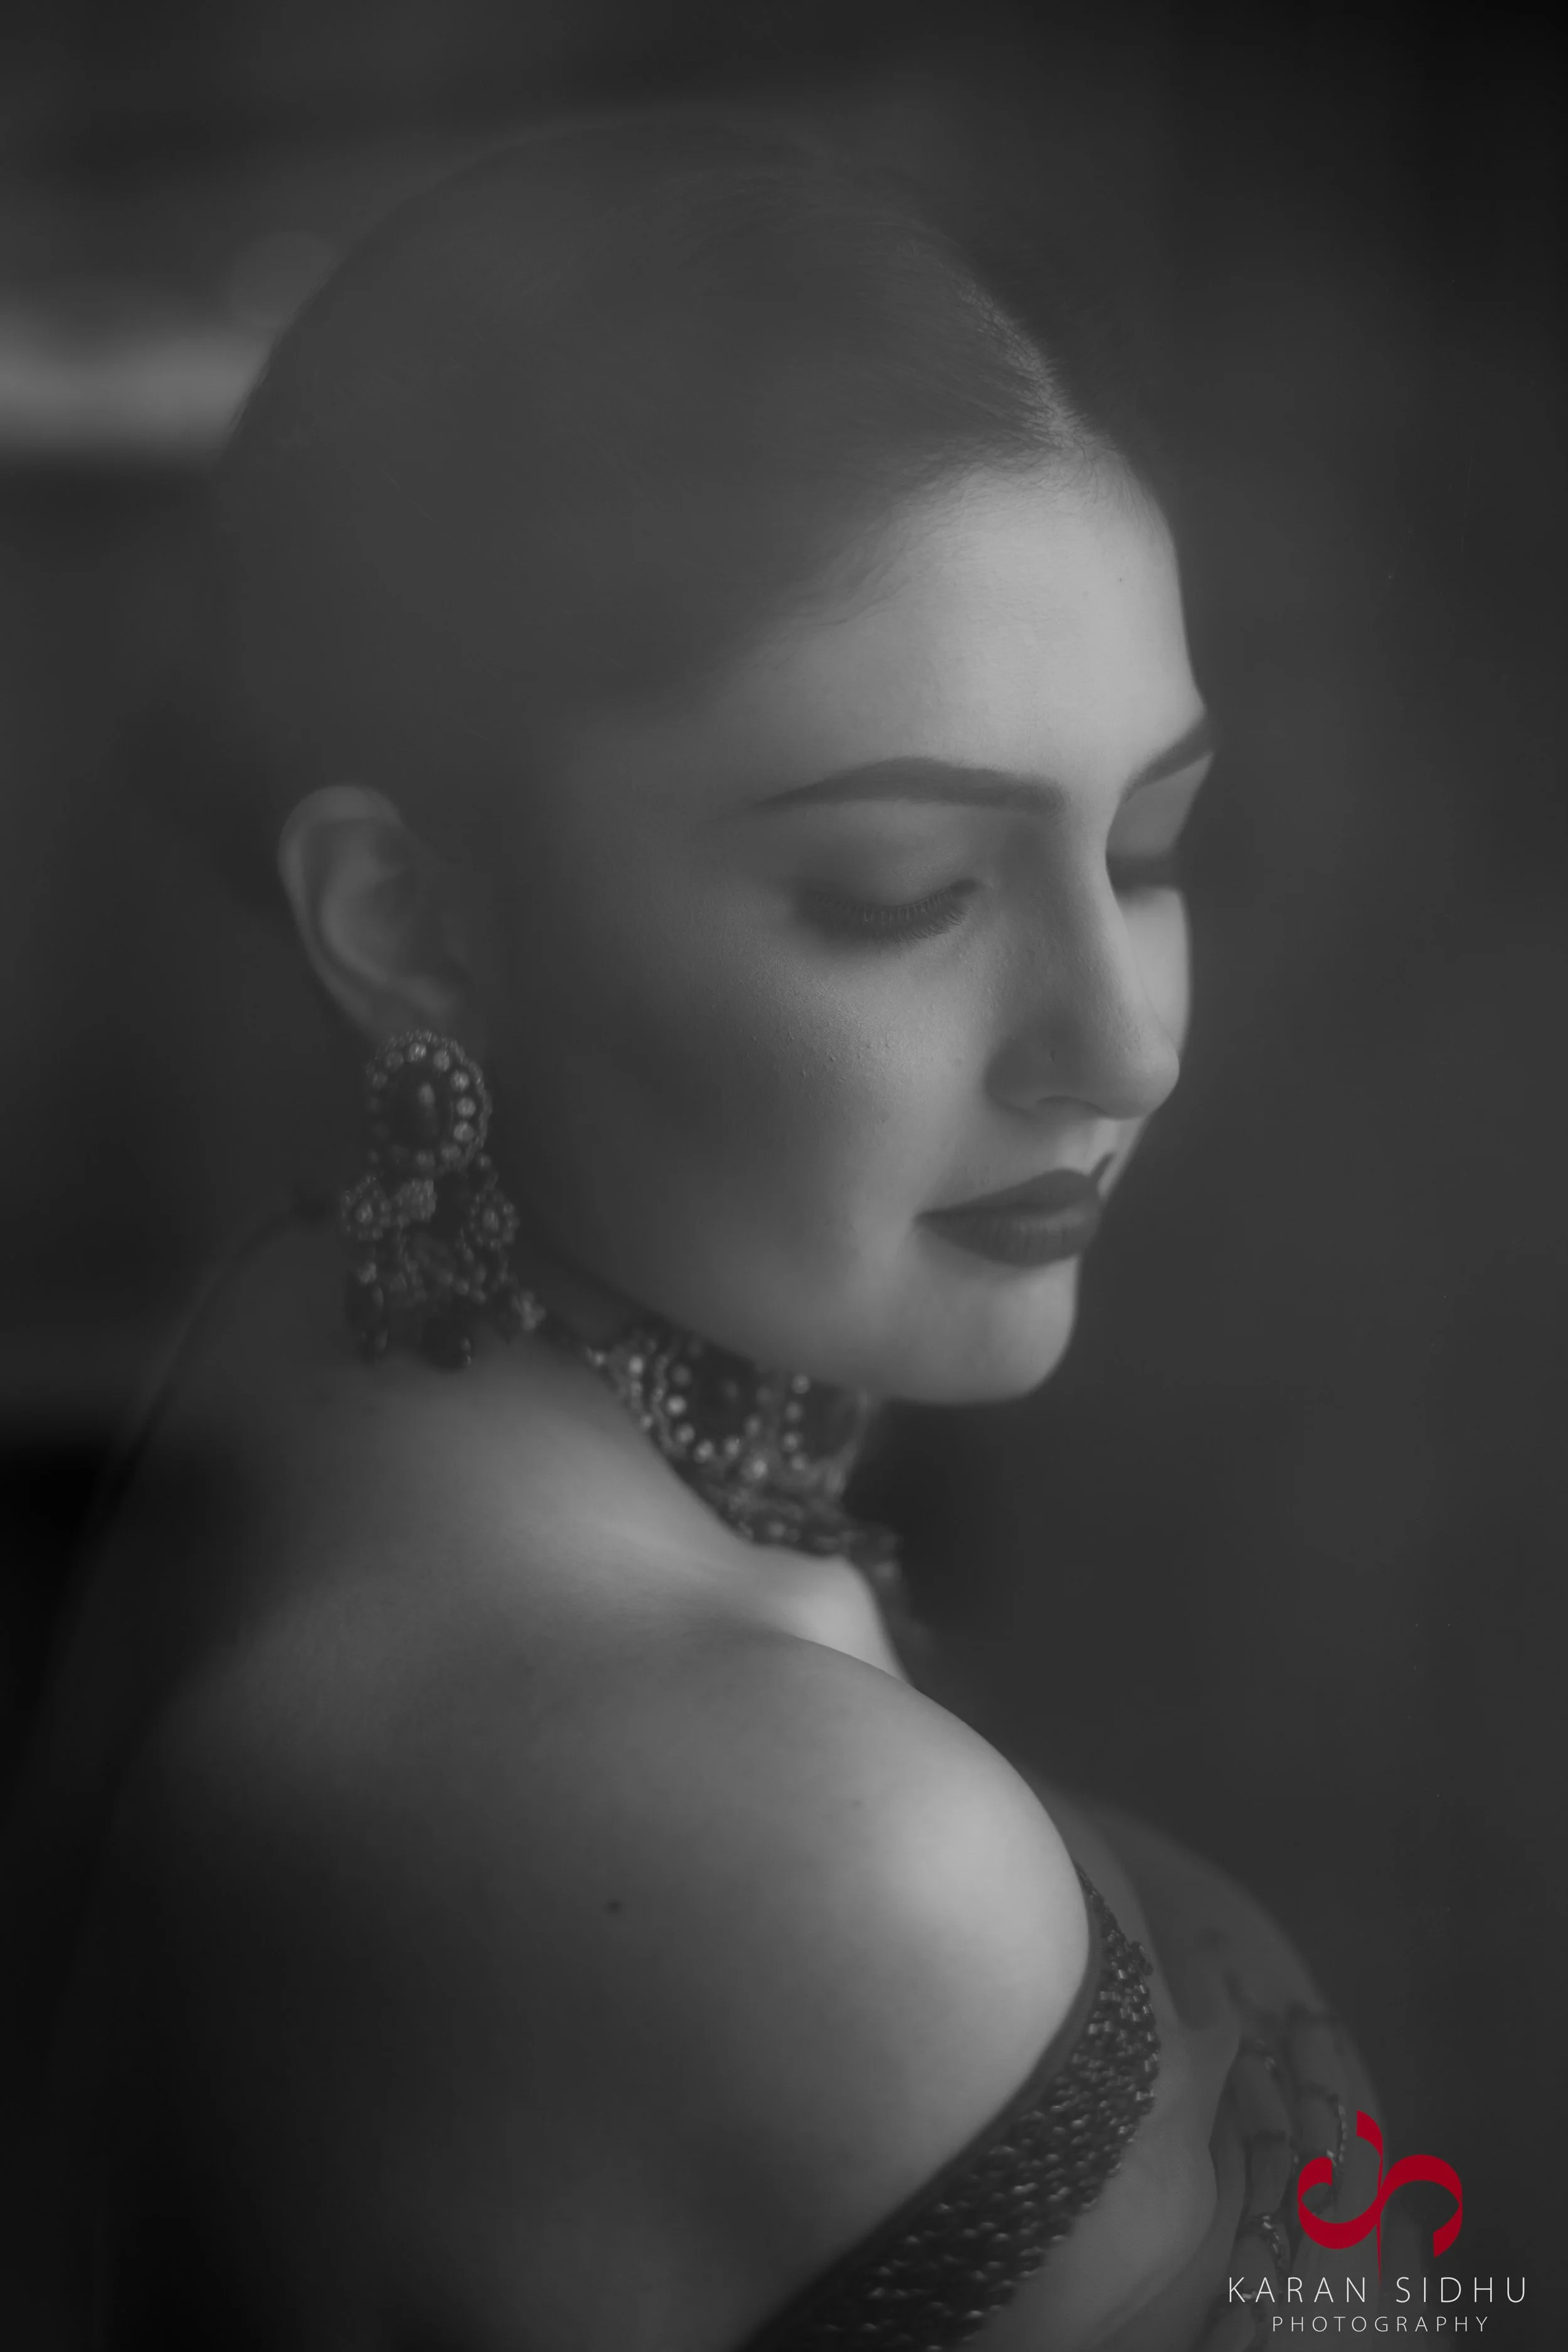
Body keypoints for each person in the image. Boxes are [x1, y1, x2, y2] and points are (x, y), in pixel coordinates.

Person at [0, 107, 1422, 2350]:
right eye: (901, 892)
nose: (1117, 1040)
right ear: (403, 919)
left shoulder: (305, 1373)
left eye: (1150, 849)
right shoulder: (792, 1852)